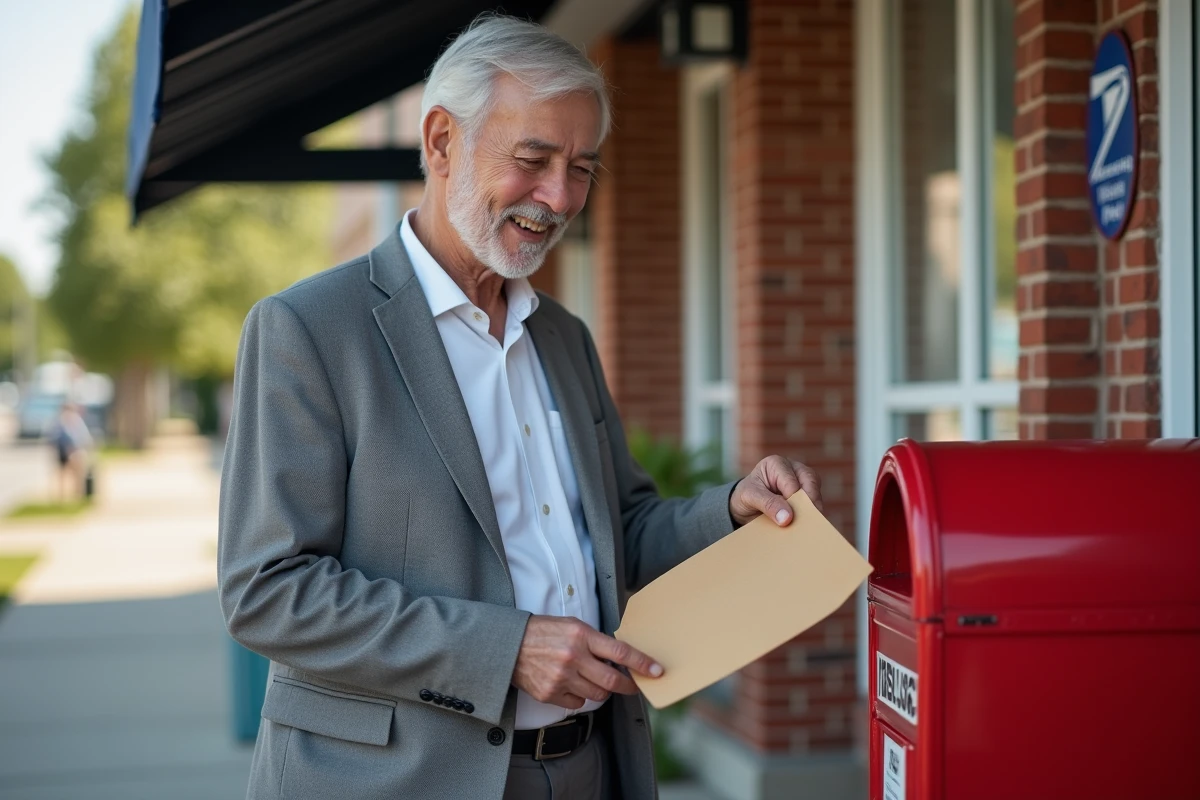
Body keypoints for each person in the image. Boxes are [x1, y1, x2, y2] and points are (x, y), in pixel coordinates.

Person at [218, 14, 823, 800]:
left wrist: (730, 513)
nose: (560, 196)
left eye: (582, 168)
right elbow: (268, 590)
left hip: (587, 768)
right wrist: (506, 650)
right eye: (533, 159)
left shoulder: (562, 335)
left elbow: (619, 529)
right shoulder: (308, 329)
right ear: (440, 142)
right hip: (396, 780)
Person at [50, 402, 93, 502]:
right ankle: (62, 496)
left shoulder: (76, 421)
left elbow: (83, 438)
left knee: (77, 473)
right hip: (63, 451)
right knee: (62, 475)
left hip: (75, 452)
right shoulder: (59, 422)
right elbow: (54, 438)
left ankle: (78, 493)